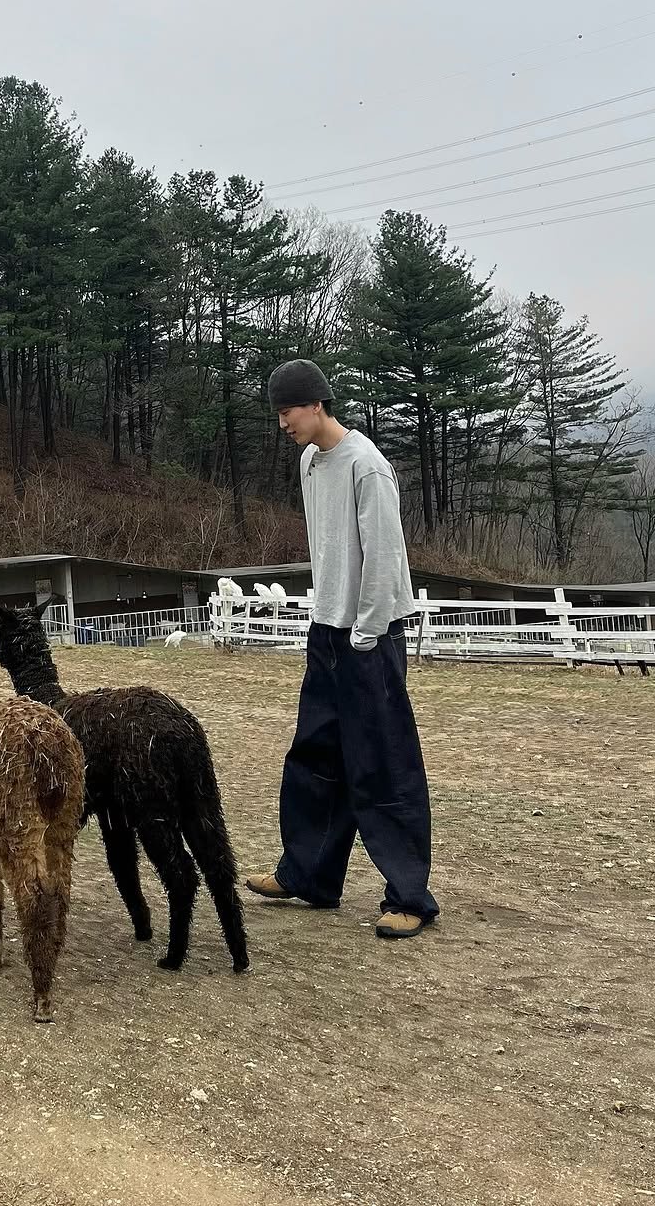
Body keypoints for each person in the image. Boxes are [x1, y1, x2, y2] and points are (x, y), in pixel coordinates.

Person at [245, 359, 439, 938]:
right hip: (327, 629)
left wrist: (368, 628)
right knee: (313, 758)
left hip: (369, 636)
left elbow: (384, 554)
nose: (283, 424)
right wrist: (327, 616)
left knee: (381, 764)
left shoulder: (368, 466)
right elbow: (331, 547)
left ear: (317, 405)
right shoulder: (310, 462)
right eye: (278, 413)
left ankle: (409, 897)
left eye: (288, 412)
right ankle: (308, 873)